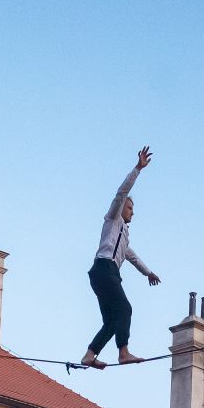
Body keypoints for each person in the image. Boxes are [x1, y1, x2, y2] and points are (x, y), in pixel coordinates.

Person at [77, 146, 160, 368]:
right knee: (125, 309)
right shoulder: (113, 218)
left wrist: (148, 273)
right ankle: (123, 352)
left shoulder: (124, 236)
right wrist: (138, 168)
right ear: (122, 207)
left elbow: (133, 258)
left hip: (101, 274)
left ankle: (89, 355)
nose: (132, 211)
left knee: (112, 322)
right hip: (105, 269)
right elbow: (122, 192)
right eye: (130, 207)